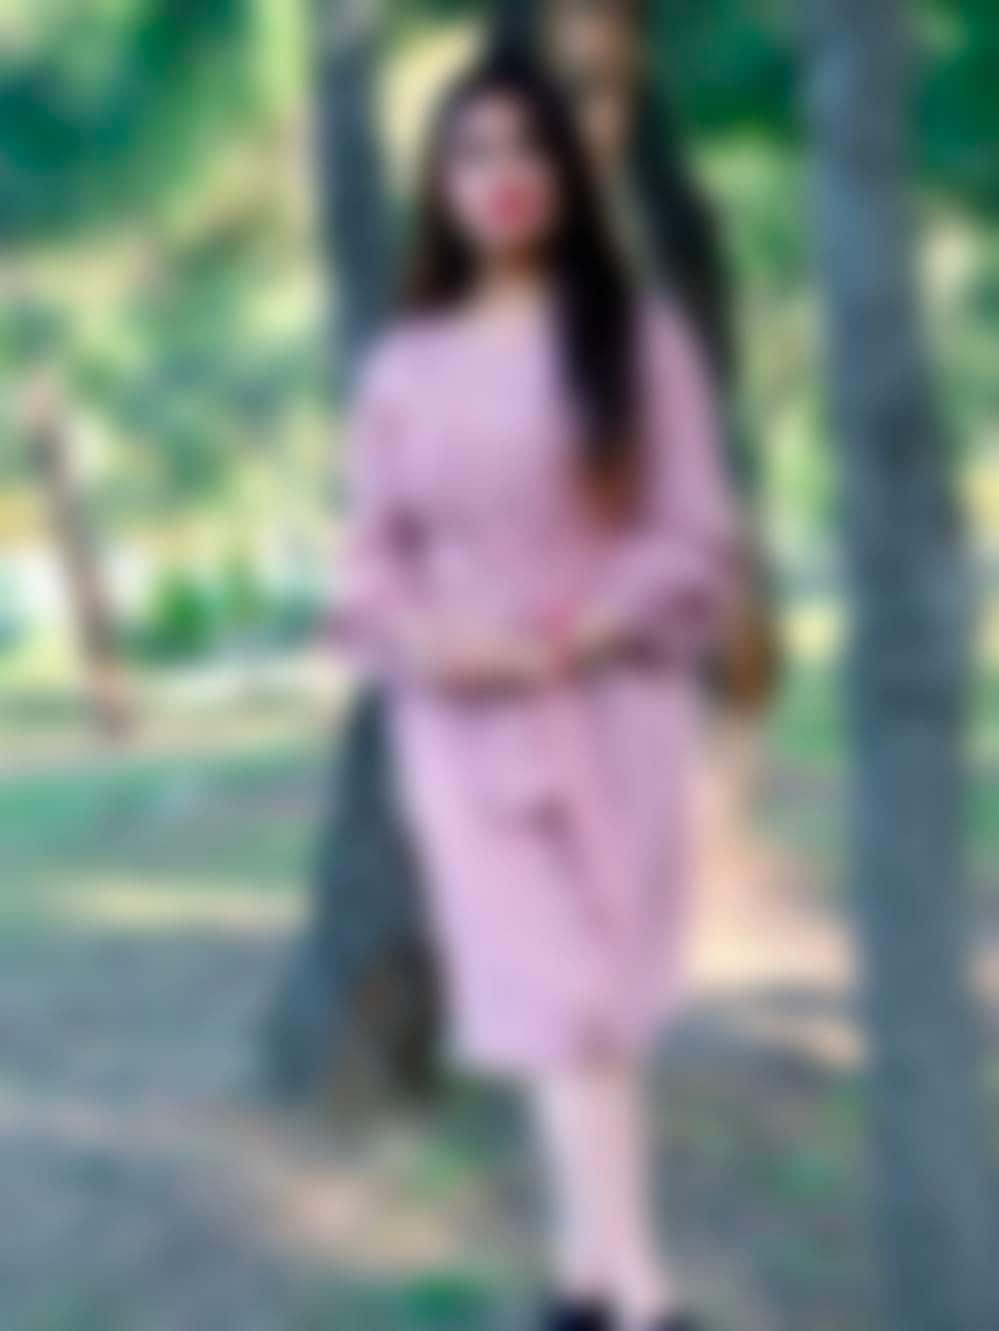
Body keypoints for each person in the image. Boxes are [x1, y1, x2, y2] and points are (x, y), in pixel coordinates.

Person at [338, 49, 743, 1331]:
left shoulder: (638, 337)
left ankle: (586, 1284)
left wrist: (576, 635)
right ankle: (642, 1295)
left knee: (600, 1005)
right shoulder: (404, 365)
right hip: (464, 729)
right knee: (556, 997)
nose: (502, 174)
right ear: (440, 185)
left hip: (614, 708)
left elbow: (693, 533)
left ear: (567, 169)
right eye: (472, 152)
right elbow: (371, 562)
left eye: (527, 147)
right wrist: (438, 641)